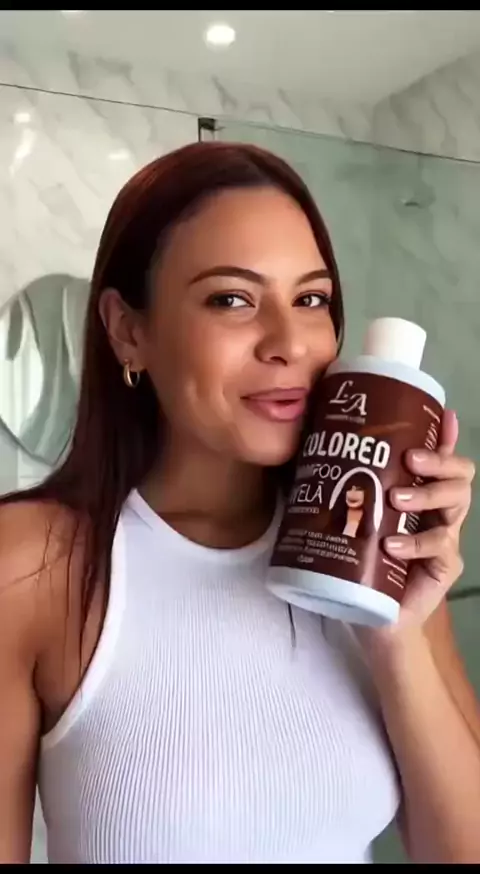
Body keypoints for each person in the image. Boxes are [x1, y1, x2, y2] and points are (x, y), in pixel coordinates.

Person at [0, 142, 479, 865]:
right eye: (232, 299)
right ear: (128, 330)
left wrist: (396, 633)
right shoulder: (33, 565)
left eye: (311, 300)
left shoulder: (380, 556)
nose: (290, 343)